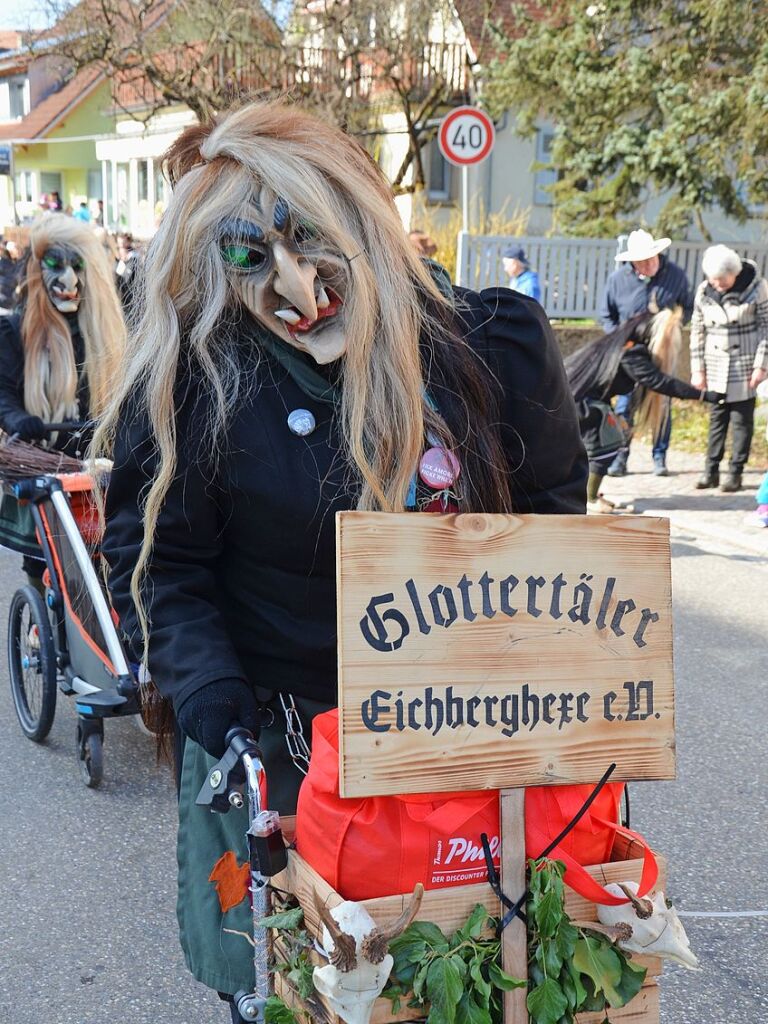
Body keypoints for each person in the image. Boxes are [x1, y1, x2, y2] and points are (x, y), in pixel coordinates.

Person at [97, 99, 587, 1022]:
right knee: (304, 985)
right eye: (249, 256)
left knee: (479, 980)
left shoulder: (488, 350)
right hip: (286, 746)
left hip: (467, 742)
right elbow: (166, 565)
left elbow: (556, 528)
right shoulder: (201, 385)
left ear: (363, 220)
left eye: (311, 240)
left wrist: (561, 686)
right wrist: (206, 690)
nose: (298, 288)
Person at [0, 214, 125, 590]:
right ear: (39, 271)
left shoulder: (109, 332)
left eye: (77, 266)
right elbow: (3, 390)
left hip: (100, 461)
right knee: (43, 565)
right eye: (55, 265)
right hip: (44, 461)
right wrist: (17, 418)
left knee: (108, 560)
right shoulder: (16, 330)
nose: (67, 279)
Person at [566, 308, 724, 514]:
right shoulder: (632, 354)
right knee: (606, 444)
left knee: (600, 443)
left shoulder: (618, 346)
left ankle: (585, 492)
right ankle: (589, 497)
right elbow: (660, 382)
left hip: (577, 400)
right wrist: (704, 396)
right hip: (580, 404)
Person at [600, 229, 693, 477]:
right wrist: (619, 341)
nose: (649, 264)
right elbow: (606, 315)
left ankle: (659, 457)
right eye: (642, 261)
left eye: (652, 258)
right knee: (624, 406)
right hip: (629, 355)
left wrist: (672, 329)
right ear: (631, 261)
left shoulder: (675, 275)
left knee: (662, 404)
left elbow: (687, 307)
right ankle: (620, 457)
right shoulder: (617, 280)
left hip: (662, 354)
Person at [691, 245, 768, 492]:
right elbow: (697, 331)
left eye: (722, 279)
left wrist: (761, 365)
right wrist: (697, 369)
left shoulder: (757, 288)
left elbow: (767, 328)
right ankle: (710, 470)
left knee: (741, 421)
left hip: (744, 364)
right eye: (713, 279)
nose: (718, 284)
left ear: (734, 273)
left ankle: (735, 472)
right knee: (717, 420)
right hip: (715, 366)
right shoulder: (704, 291)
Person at [0, 241, 20, 313]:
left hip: (11, 304)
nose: (17, 251)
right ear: (10, 251)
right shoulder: (4, 264)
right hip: (3, 304)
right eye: (16, 249)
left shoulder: (16, 263)